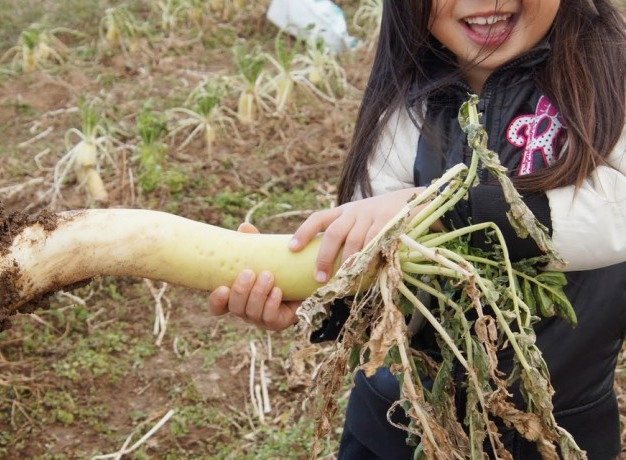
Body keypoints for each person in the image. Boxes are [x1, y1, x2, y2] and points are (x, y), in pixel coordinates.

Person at [208, 0, 626, 458]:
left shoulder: (608, 71)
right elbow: (375, 263)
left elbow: (613, 216)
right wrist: (317, 296)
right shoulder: (406, 94)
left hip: (554, 428)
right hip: (398, 421)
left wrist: (443, 208)